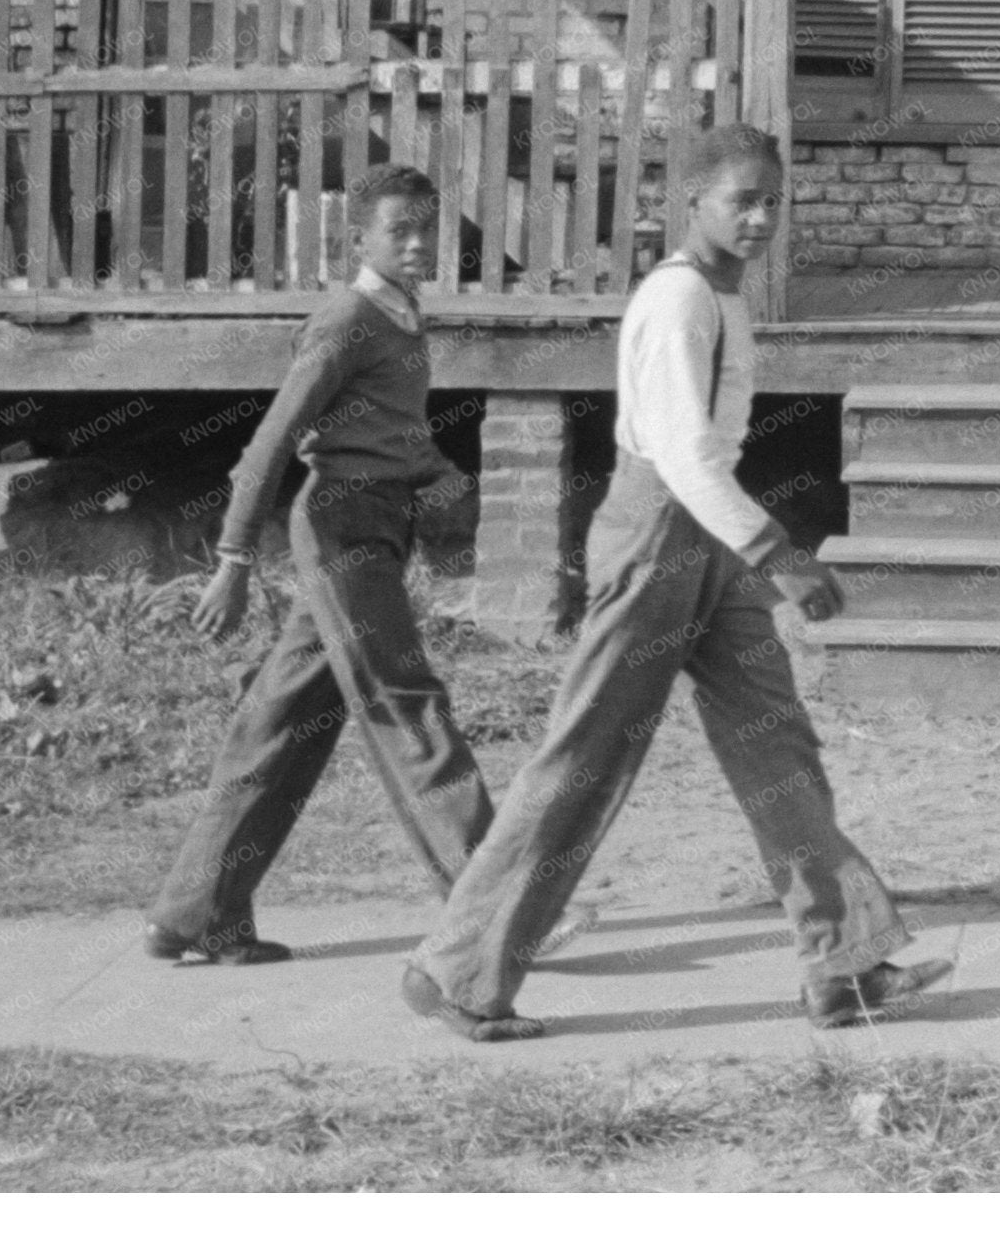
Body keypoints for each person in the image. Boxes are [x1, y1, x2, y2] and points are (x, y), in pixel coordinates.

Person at [402, 123, 945, 1042]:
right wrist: (780, 555)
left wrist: (749, 552)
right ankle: (457, 971)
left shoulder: (727, 299)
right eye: (743, 200)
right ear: (689, 202)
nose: (763, 217)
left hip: (710, 538)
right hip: (657, 537)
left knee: (777, 742)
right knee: (585, 760)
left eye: (774, 200)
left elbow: (712, 460)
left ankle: (844, 963)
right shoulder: (677, 300)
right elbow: (684, 453)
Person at [142, 162, 499, 965]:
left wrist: (435, 466)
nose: (414, 244)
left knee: (282, 723)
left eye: (424, 229)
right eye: (397, 230)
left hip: (379, 518)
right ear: (359, 238)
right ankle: (496, 901)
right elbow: (271, 440)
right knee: (406, 700)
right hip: (342, 527)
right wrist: (233, 558)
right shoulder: (344, 319)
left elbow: (383, 425)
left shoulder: (403, 312)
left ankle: (196, 913)